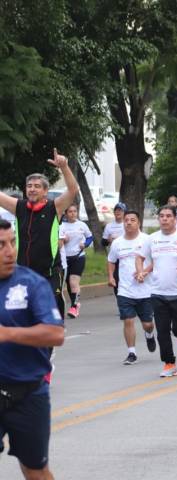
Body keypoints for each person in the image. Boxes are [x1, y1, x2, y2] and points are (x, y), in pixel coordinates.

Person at [0, 219, 65, 480]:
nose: (9, 251)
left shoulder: (31, 284)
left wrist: (7, 334)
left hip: (28, 393)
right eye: (1, 245)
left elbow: (56, 334)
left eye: (12, 243)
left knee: (35, 471)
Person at [0, 149, 79, 322]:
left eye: (37, 186)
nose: (32, 189)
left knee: (47, 308)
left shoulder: (54, 208)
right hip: (24, 272)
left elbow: (73, 190)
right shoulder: (19, 207)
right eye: (29, 186)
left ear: (45, 191)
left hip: (50, 272)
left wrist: (64, 167)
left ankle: (51, 335)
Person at [135, 206, 177, 377]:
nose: (164, 219)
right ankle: (169, 363)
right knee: (162, 331)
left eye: (168, 216)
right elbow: (140, 257)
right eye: (162, 216)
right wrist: (141, 271)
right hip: (157, 293)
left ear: (174, 219)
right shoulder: (152, 239)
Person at [107, 210, 157, 364]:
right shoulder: (117, 243)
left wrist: (144, 272)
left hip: (146, 290)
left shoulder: (148, 240)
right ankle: (132, 353)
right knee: (128, 320)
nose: (128, 222)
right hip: (125, 290)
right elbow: (111, 260)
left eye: (132, 220)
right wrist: (110, 277)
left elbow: (157, 260)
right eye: (126, 220)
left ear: (138, 223)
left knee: (147, 324)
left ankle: (149, 334)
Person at [58, 205, 93, 319]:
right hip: (65, 258)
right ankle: (75, 302)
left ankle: (74, 307)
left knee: (73, 282)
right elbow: (58, 239)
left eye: (75, 211)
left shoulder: (82, 225)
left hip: (78, 257)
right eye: (70, 212)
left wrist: (85, 244)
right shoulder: (61, 225)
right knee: (69, 284)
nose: (73, 214)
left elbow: (89, 237)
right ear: (66, 213)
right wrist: (64, 239)